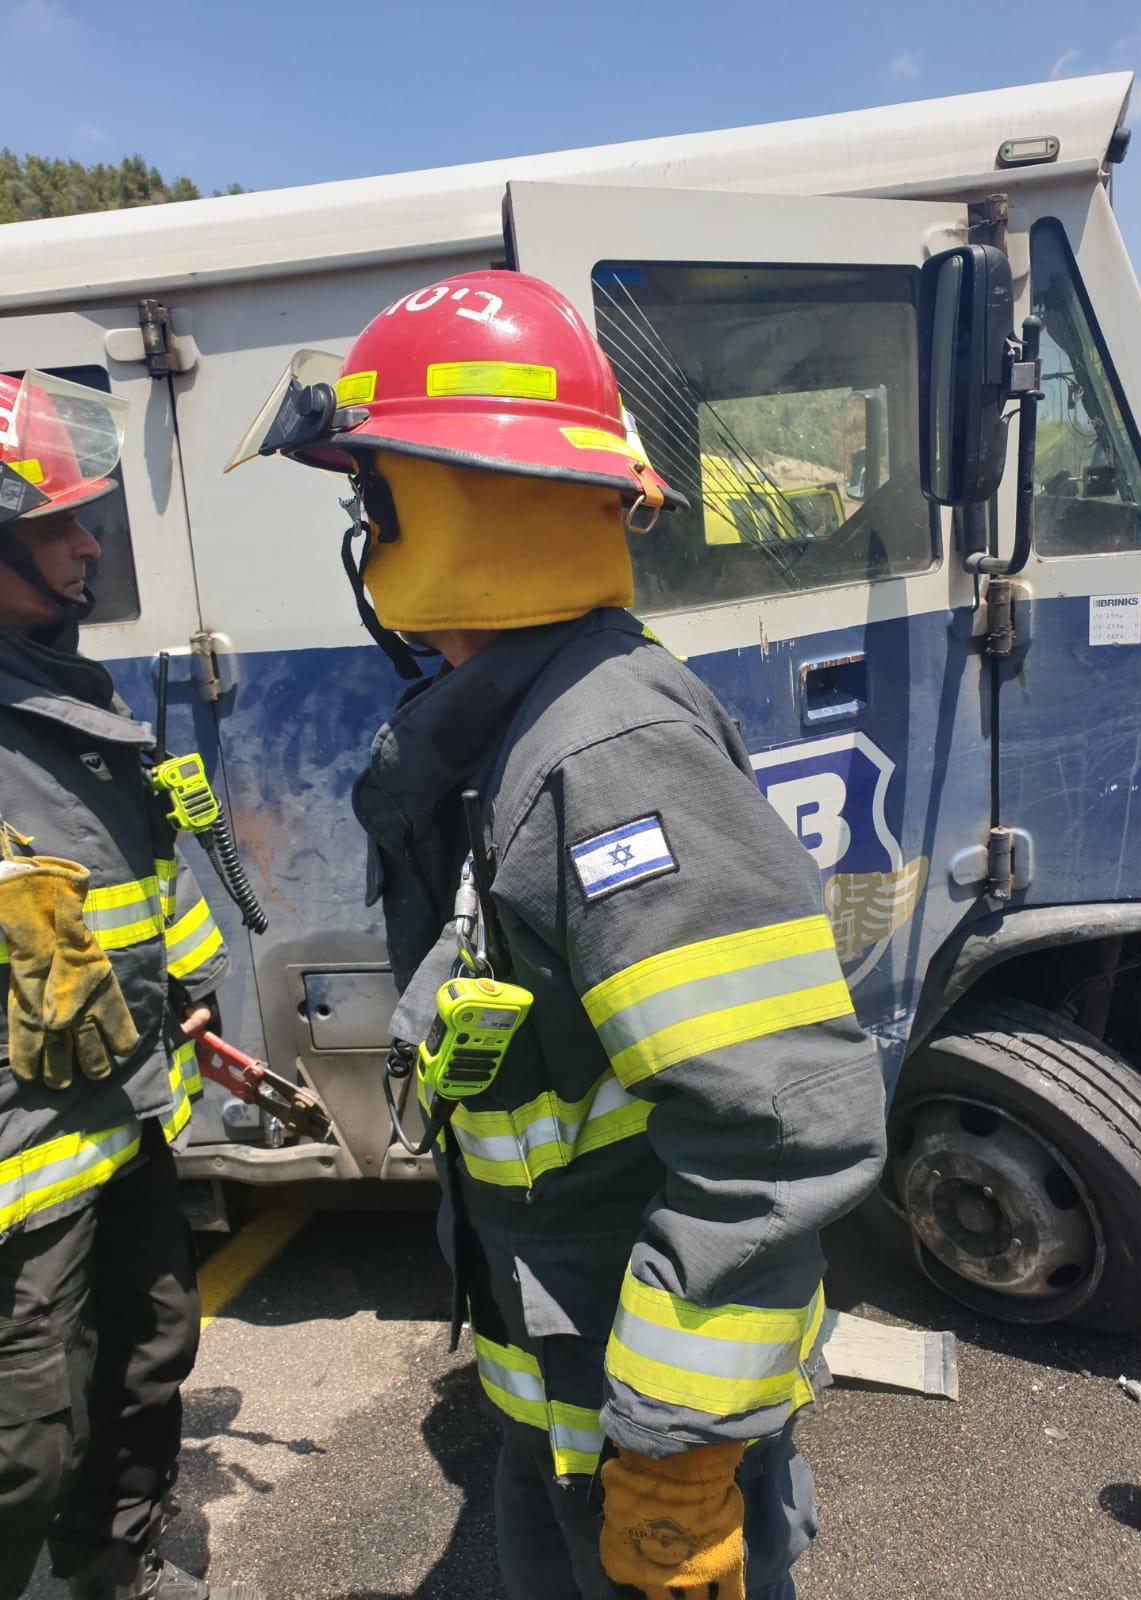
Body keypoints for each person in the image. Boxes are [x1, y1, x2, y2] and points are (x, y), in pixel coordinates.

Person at [231, 272, 887, 1599]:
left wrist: (680, 1450)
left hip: (634, 1428)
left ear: (454, 502)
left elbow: (776, 1128)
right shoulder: (524, 731)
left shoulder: (607, 751)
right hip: (570, 1390)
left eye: (375, 498)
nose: (366, 533)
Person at [0, 372, 259, 1600]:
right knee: (23, 1439)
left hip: (118, 1118)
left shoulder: (74, 698)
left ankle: (113, 1572)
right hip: (19, 1166)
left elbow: (133, 884)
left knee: (148, 1358)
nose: (88, 541)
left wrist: (194, 989)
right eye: (56, 522)